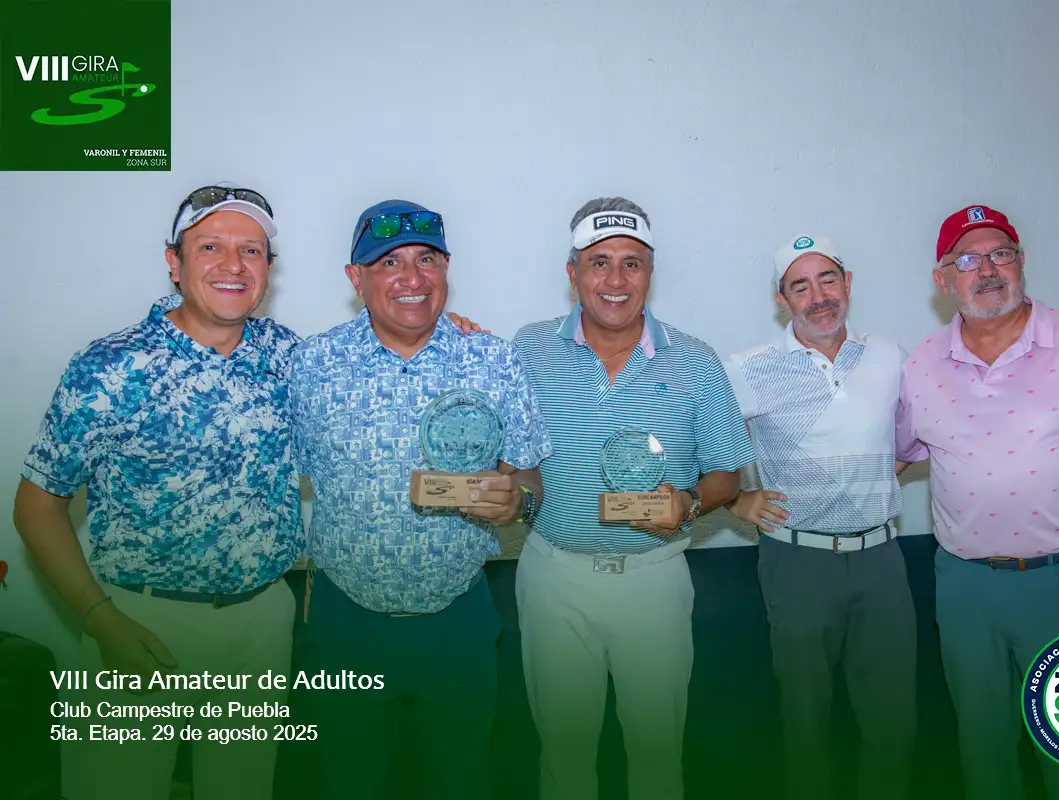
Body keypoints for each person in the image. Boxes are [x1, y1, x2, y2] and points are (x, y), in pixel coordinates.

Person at [13, 184, 302, 800]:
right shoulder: (108, 366)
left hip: (260, 625)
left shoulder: (291, 359)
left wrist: (453, 333)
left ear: (268, 268)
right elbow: (37, 506)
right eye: (211, 247)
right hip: (137, 624)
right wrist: (101, 620)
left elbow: (378, 361)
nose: (233, 265)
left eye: (251, 250)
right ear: (174, 262)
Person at [895, 204, 1059, 800]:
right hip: (964, 590)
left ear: (1021, 262)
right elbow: (893, 458)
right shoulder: (921, 364)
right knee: (982, 750)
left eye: (1001, 253)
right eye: (968, 260)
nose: (987, 269)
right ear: (943, 279)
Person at [287, 199, 553, 800]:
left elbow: (531, 482)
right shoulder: (311, 365)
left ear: (446, 268)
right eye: (388, 262)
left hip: (458, 624)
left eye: (426, 259)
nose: (412, 277)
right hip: (345, 625)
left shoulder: (492, 359)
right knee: (348, 783)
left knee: (462, 781)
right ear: (355, 278)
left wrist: (517, 502)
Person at [511, 197, 756, 800]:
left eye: (631, 263)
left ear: (650, 272)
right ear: (573, 273)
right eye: (598, 262)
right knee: (562, 753)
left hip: (654, 579)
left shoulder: (695, 360)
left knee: (656, 755)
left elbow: (727, 476)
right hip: (554, 579)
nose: (615, 280)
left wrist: (689, 504)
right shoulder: (528, 349)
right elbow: (515, 462)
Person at [723, 234, 916, 800]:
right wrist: (736, 501)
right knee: (806, 721)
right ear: (782, 299)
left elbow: (914, 435)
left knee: (893, 720)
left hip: (882, 560)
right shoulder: (748, 368)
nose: (818, 297)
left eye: (828, 279)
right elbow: (701, 445)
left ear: (847, 283)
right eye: (800, 286)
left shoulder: (889, 355)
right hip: (797, 562)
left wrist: (872, 475)